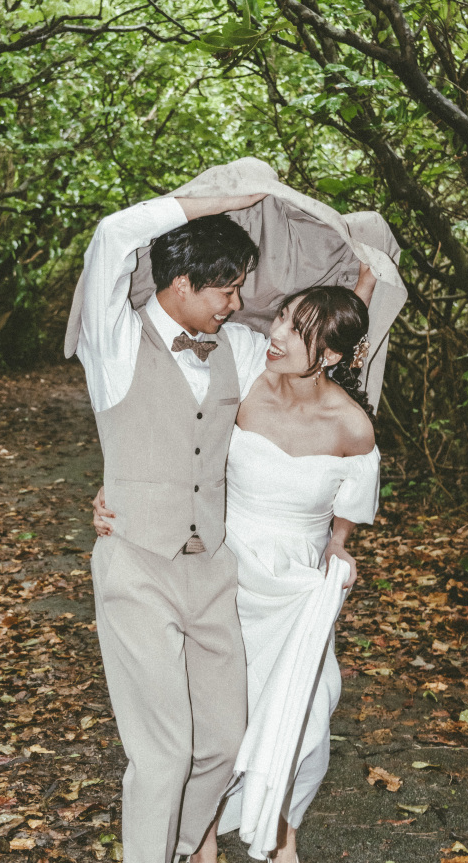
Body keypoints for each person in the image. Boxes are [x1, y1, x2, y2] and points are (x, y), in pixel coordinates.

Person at [94, 279, 379, 862]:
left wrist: (340, 546)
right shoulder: (245, 379)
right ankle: (201, 843)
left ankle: (277, 829)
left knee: (308, 709)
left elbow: (349, 509)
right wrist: (117, 490)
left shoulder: (353, 426)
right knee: (219, 717)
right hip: (223, 565)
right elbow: (179, 444)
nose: (272, 334)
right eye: (278, 319)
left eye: (293, 331)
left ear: (328, 356)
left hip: (295, 582)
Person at [73, 191, 269, 863]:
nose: (236, 304)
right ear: (181, 283)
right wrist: (207, 201)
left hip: (212, 567)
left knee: (222, 740)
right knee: (162, 751)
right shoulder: (116, 339)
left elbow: (312, 353)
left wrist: (360, 285)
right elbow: (110, 237)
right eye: (227, 288)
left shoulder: (239, 347)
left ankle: (176, 848)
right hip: (135, 562)